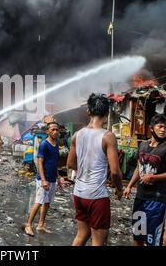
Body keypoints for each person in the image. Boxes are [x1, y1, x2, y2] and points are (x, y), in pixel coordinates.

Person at [67, 93, 123, 246]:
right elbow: (115, 171)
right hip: (97, 196)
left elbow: (70, 164)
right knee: (98, 241)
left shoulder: (77, 135)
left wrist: (86, 168)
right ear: (107, 113)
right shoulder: (108, 136)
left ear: (88, 111)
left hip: (79, 193)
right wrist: (119, 188)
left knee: (82, 234)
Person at [123, 114, 166, 246]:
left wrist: (153, 177)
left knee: (152, 239)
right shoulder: (142, 145)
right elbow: (139, 166)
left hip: (157, 201)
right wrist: (130, 186)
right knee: (138, 236)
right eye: (160, 126)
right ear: (151, 128)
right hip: (140, 198)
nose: (163, 130)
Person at [25, 122, 60, 236]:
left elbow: (55, 162)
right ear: (47, 132)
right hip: (43, 179)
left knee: (47, 203)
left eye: (57, 129)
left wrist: (58, 177)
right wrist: (43, 180)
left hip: (52, 178)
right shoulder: (44, 144)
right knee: (39, 202)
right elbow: (40, 162)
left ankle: (40, 225)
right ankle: (28, 225)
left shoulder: (56, 144)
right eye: (53, 129)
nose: (55, 131)